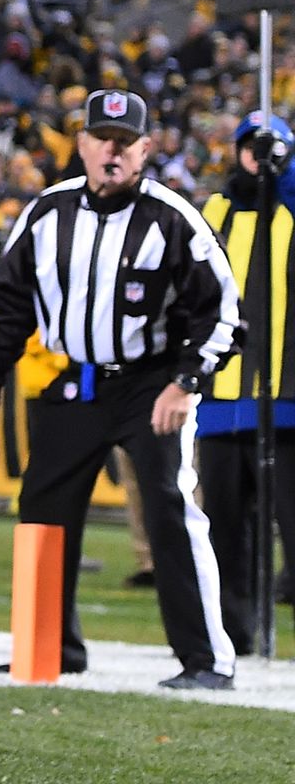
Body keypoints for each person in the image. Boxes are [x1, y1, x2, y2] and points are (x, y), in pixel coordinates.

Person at [0, 89, 241, 690]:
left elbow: (222, 314)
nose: (112, 151)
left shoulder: (173, 217)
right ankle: (48, 648)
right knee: (42, 511)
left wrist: (185, 383)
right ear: (83, 144)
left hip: (150, 385)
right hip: (77, 381)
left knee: (170, 508)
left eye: (125, 141)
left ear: (145, 148)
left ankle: (206, 660)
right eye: (101, 139)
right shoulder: (46, 212)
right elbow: (8, 303)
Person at [195, 112, 295, 655]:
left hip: (287, 399)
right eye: (252, 147)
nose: (260, 157)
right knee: (227, 531)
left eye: (272, 148)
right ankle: (237, 635)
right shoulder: (214, 211)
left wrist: (285, 173)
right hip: (221, 398)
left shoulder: (291, 206)